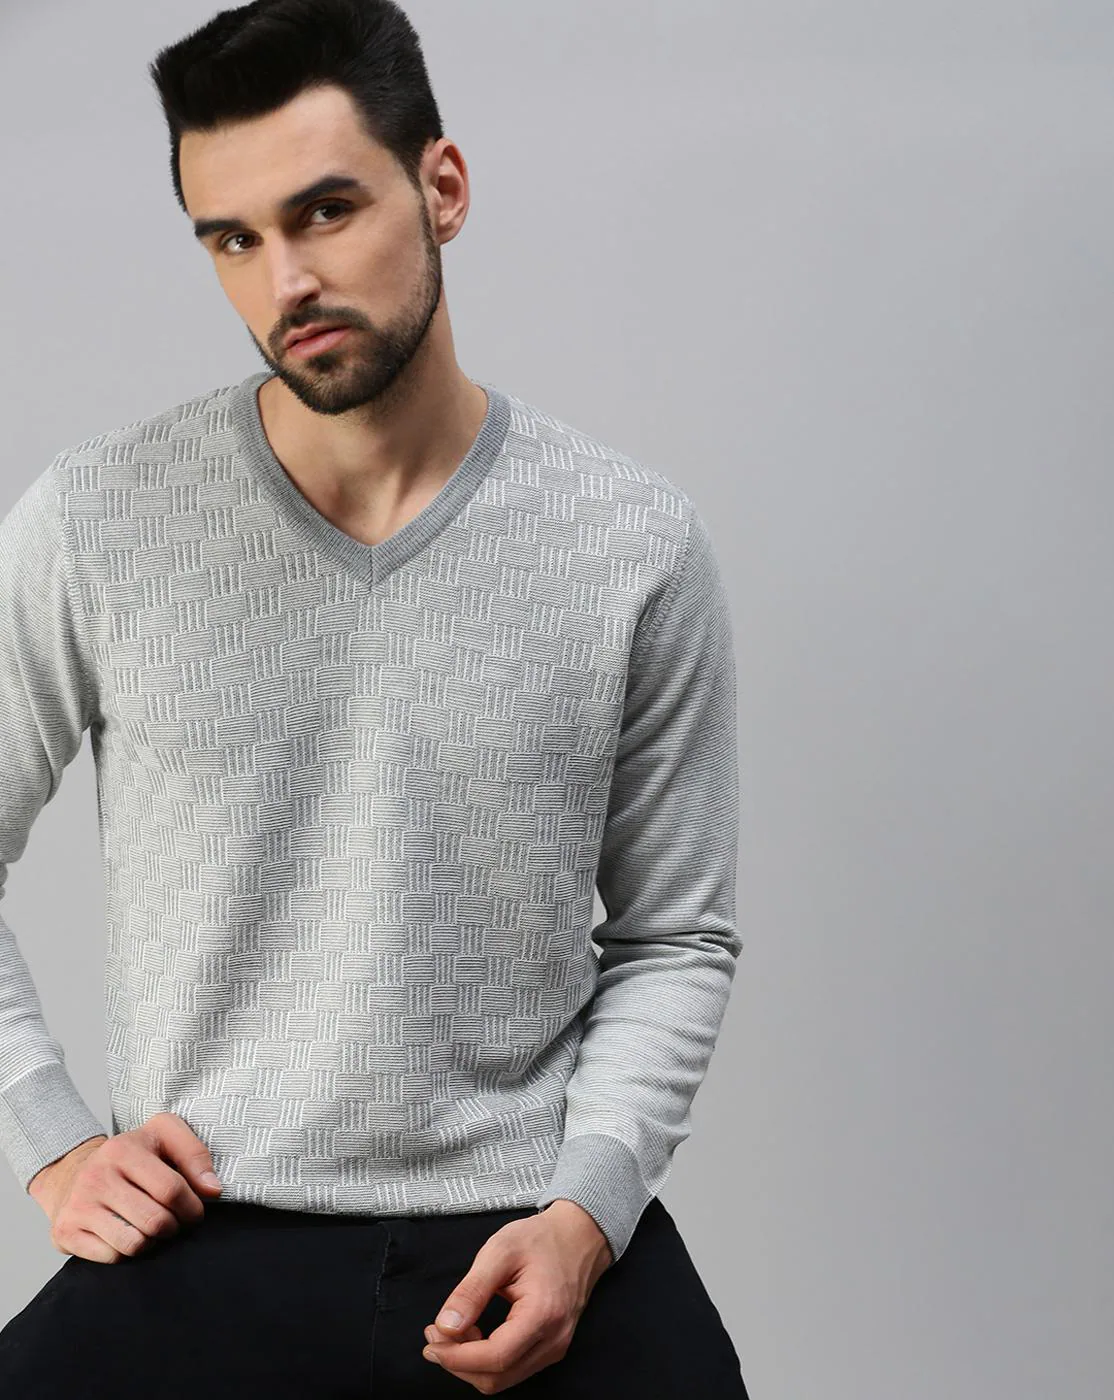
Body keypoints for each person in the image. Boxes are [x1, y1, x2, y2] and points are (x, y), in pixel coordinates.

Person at [0, 1, 748, 1394]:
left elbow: (673, 936)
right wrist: (51, 1141)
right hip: (203, 1220)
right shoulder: (97, 523)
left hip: (526, 1221)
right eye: (233, 240)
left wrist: (587, 1217)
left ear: (441, 188)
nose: (285, 280)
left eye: (326, 211)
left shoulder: (630, 542)